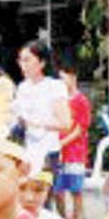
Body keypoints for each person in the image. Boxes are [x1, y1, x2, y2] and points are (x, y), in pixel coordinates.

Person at [13, 41, 72, 173]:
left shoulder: (55, 86)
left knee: (44, 192)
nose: (23, 65)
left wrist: (35, 123)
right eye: (21, 60)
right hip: (26, 153)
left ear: (42, 63)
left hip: (48, 153)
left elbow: (65, 124)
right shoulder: (22, 87)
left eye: (27, 60)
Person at [56, 61, 91, 219]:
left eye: (64, 78)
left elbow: (80, 129)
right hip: (58, 151)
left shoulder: (81, 101)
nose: (62, 82)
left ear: (73, 77)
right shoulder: (58, 100)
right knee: (57, 190)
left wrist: (62, 142)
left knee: (75, 189)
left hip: (75, 151)